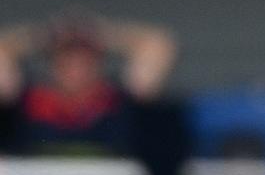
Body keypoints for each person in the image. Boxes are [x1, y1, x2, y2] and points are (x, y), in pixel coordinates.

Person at [0, 11, 176, 157]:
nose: (76, 68)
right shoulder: (29, 102)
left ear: (99, 62)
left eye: (85, 60)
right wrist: (45, 35)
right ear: (52, 63)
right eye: (66, 59)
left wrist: (99, 33)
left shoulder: (117, 100)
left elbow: (158, 44)